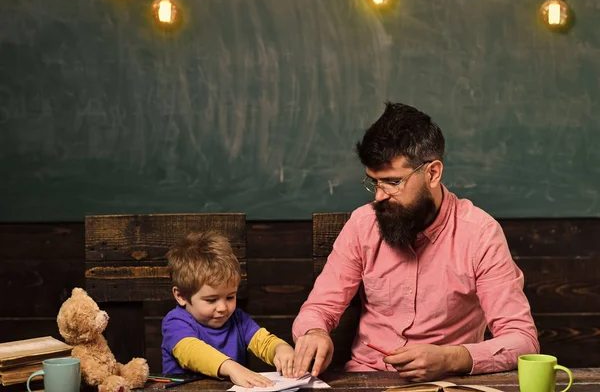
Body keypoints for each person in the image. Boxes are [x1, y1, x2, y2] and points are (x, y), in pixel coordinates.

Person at [291, 102, 539, 382]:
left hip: (447, 382)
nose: (379, 197)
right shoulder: (363, 224)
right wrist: (314, 332)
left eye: (393, 182)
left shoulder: (480, 233)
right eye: (374, 182)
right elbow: (319, 308)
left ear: (432, 173)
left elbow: (522, 340)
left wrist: (450, 358)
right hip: (367, 379)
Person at [162, 231, 295, 387]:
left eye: (230, 297)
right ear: (181, 296)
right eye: (211, 300)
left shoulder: (238, 319)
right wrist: (231, 368)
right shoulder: (175, 322)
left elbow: (263, 342)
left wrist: (280, 349)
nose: (223, 308)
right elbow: (191, 352)